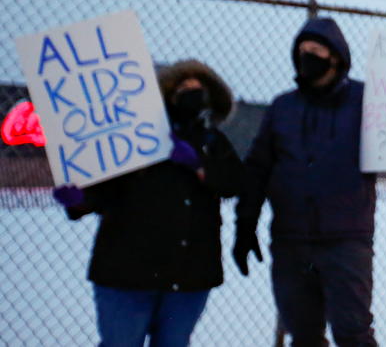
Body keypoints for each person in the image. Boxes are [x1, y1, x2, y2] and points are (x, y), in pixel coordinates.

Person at [53, 59, 245, 347]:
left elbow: (234, 182)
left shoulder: (212, 141)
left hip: (189, 275)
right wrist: (79, 199)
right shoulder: (131, 138)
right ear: (166, 94)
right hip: (127, 275)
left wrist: (200, 165)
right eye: (183, 87)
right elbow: (102, 190)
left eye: (199, 88)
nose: (191, 93)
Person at [232, 17, 377, 347]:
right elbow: (257, 169)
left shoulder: (365, 101)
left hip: (346, 241)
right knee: (304, 336)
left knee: (353, 333)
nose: (306, 56)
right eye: (301, 51)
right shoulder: (283, 107)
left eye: (315, 50)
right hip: (290, 242)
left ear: (336, 55)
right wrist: (244, 226)